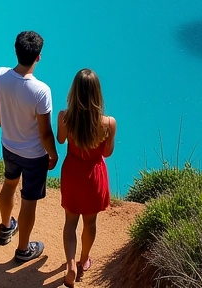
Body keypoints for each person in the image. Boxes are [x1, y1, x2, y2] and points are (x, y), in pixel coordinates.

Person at [0, 30, 58, 263]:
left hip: (8, 146)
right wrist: (53, 154)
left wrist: (9, 129)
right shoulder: (42, 91)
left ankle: (6, 227)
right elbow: (45, 132)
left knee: (9, 184)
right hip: (34, 155)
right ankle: (23, 250)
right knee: (29, 200)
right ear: (38, 57)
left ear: (16, 51)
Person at [56, 69, 116, 286]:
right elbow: (107, 152)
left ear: (74, 91)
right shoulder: (108, 123)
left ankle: (70, 263)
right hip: (94, 176)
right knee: (90, 222)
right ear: (97, 93)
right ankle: (83, 260)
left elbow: (61, 140)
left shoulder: (64, 117)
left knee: (70, 222)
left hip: (72, 172)